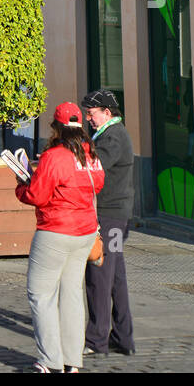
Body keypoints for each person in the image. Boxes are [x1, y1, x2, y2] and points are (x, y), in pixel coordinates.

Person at [15, 101, 104, 373]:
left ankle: (49, 361)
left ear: (56, 128)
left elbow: (37, 195)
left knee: (41, 295)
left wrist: (22, 186)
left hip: (55, 231)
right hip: (85, 232)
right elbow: (98, 184)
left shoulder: (55, 156)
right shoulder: (91, 156)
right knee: (72, 296)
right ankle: (72, 363)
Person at [81, 89, 136, 358]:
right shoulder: (108, 133)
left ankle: (96, 340)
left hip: (110, 216)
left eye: (91, 114)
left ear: (107, 112)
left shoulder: (113, 136)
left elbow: (95, 165)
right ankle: (123, 338)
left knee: (99, 275)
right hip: (113, 213)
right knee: (115, 278)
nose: (88, 118)